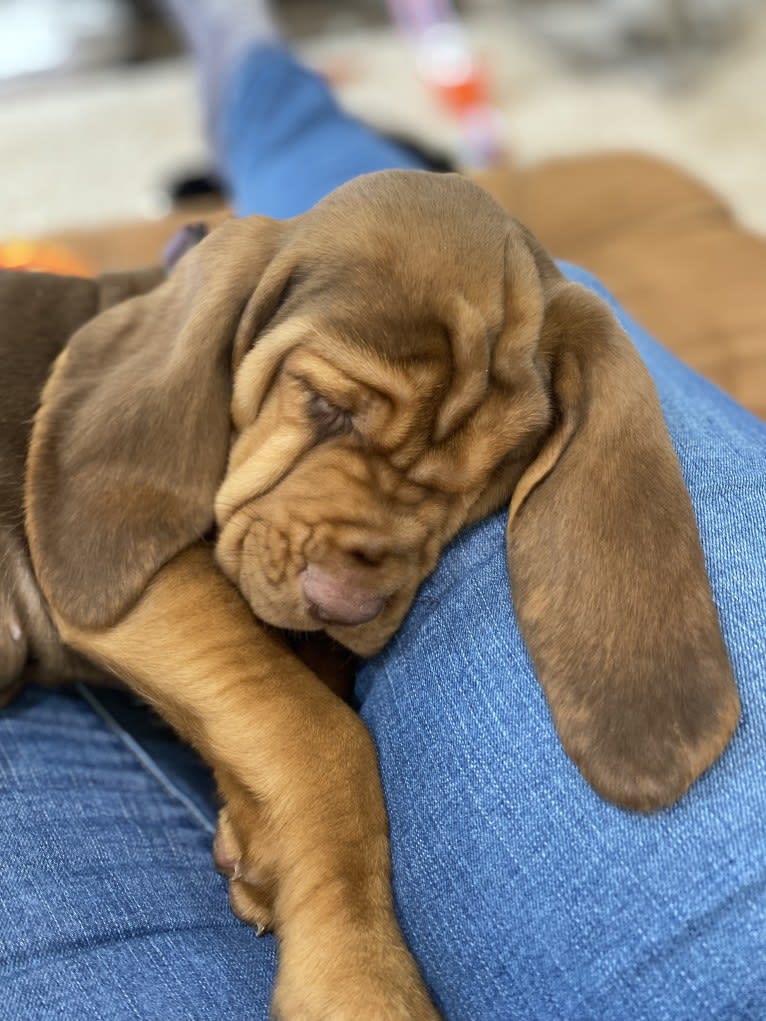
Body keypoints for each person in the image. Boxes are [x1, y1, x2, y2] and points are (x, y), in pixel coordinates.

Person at [2, 3, 765, 1019]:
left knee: (503, 279)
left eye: (459, 481)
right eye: (330, 409)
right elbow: (110, 561)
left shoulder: (518, 384)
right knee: (376, 211)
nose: (341, 583)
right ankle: (262, 84)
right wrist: (328, 826)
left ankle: (265, 89)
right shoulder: (166, 372)